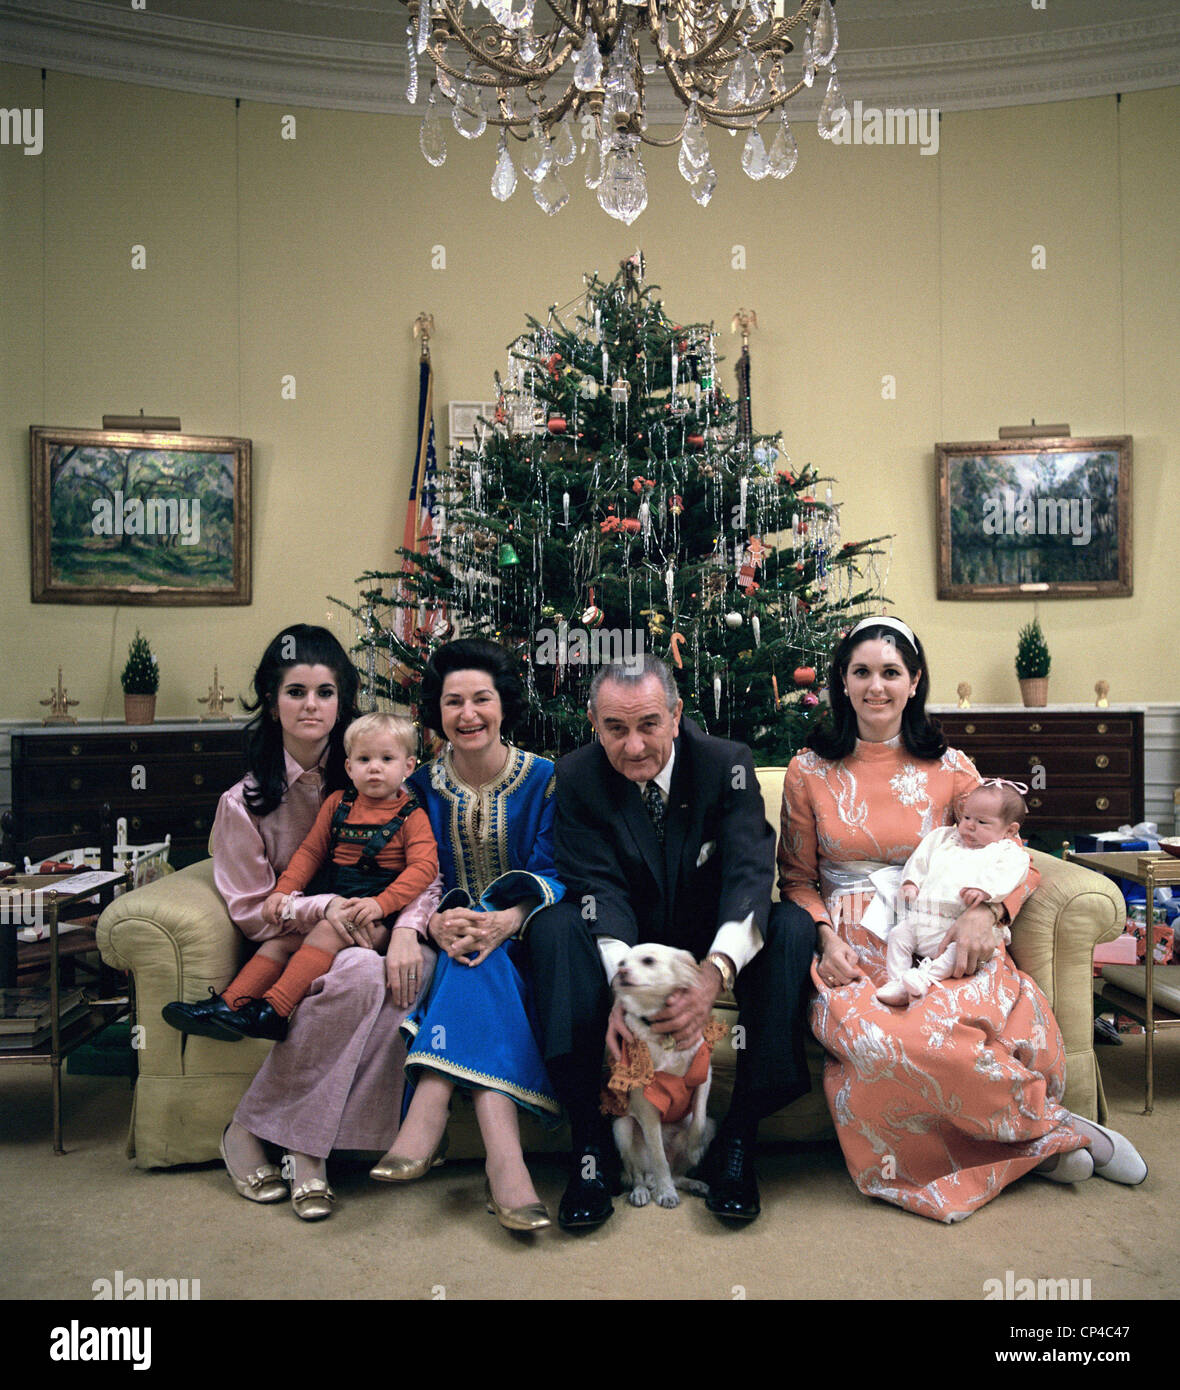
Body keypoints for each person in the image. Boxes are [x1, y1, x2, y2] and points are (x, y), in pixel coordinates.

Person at [779, 615, 1147, 1222]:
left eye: (891, 673)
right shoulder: (808, 770)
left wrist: (991, 913)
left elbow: (1012, 855)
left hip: (948, 929)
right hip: (855, 938)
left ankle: (1032, 1138)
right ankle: (1053, 1134)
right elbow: (796, 878)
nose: (876, 686)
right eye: (862, 672)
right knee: (881, 1039)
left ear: (915, 681)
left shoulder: (951, 767)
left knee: (957, 1027)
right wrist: (822, 936)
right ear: (842, 682)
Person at [524, 654, 817, 1229]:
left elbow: (749, 873)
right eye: (615, 728)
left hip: (708, 938)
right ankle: (589, 1145)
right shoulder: (579, 775)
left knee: (791, 926)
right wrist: (622, 984)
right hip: (628, 938)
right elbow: (594, 887)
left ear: (677, 715)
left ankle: (738, 1143)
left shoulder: (726, 764)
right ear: (593, 724)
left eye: (648, 725)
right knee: (556, 925)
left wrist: (713, 976)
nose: (633, 746)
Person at [164, 624, 440, 1222]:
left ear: (343, 701)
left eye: (324, 692)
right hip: (289, 943)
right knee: (361, 975)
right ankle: (303, 1152)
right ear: (271, 700)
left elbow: (425, 870)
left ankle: (270, 1134)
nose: (310, 705)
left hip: (372, 930)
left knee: (387, 973)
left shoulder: (378, 772)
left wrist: (403, 930)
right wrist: (326, 912)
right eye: (295, 691)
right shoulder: (243, 802)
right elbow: (251, 909)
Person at [369, 639, 564, 1233]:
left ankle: (427, 1104)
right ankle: (508, 1168)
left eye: (482, 698)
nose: (468, 714)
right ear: (438, 712)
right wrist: (431, 922)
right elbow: (411, 873)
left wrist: (506, 920)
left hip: (528, 945)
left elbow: (559, 869)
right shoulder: (418, 788)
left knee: (482, 953)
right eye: (453, 702)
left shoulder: (546, 780)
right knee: (467, 951)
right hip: (449, 945)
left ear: (504, 703)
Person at [164, 713, 437, 1041]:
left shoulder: (412, 817)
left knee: (325, 930)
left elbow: (424, 869)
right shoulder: (338, 804)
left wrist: (380, 905)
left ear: (408, 767)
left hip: (381, 921)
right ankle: (229, 1006)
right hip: (341, 906)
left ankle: (274, 1011)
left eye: (386, 759)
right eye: (364, 759)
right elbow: (309, 853)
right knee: (279, 941)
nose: (374, 767)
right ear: (349, 768)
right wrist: (284, 891)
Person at [875, 779, 1030, 1006]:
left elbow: (1012, 873)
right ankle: (898, 981)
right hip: (924, 918)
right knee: (899, 935)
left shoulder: (1007, 852)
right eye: (966, 818)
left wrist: (985, 891)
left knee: (959, 951)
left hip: (958, 926)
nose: (969, 826)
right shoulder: (943, 838)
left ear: (1010, 830)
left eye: (982, 822)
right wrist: (911, 882)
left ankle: (924, 977)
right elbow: (921, 858)